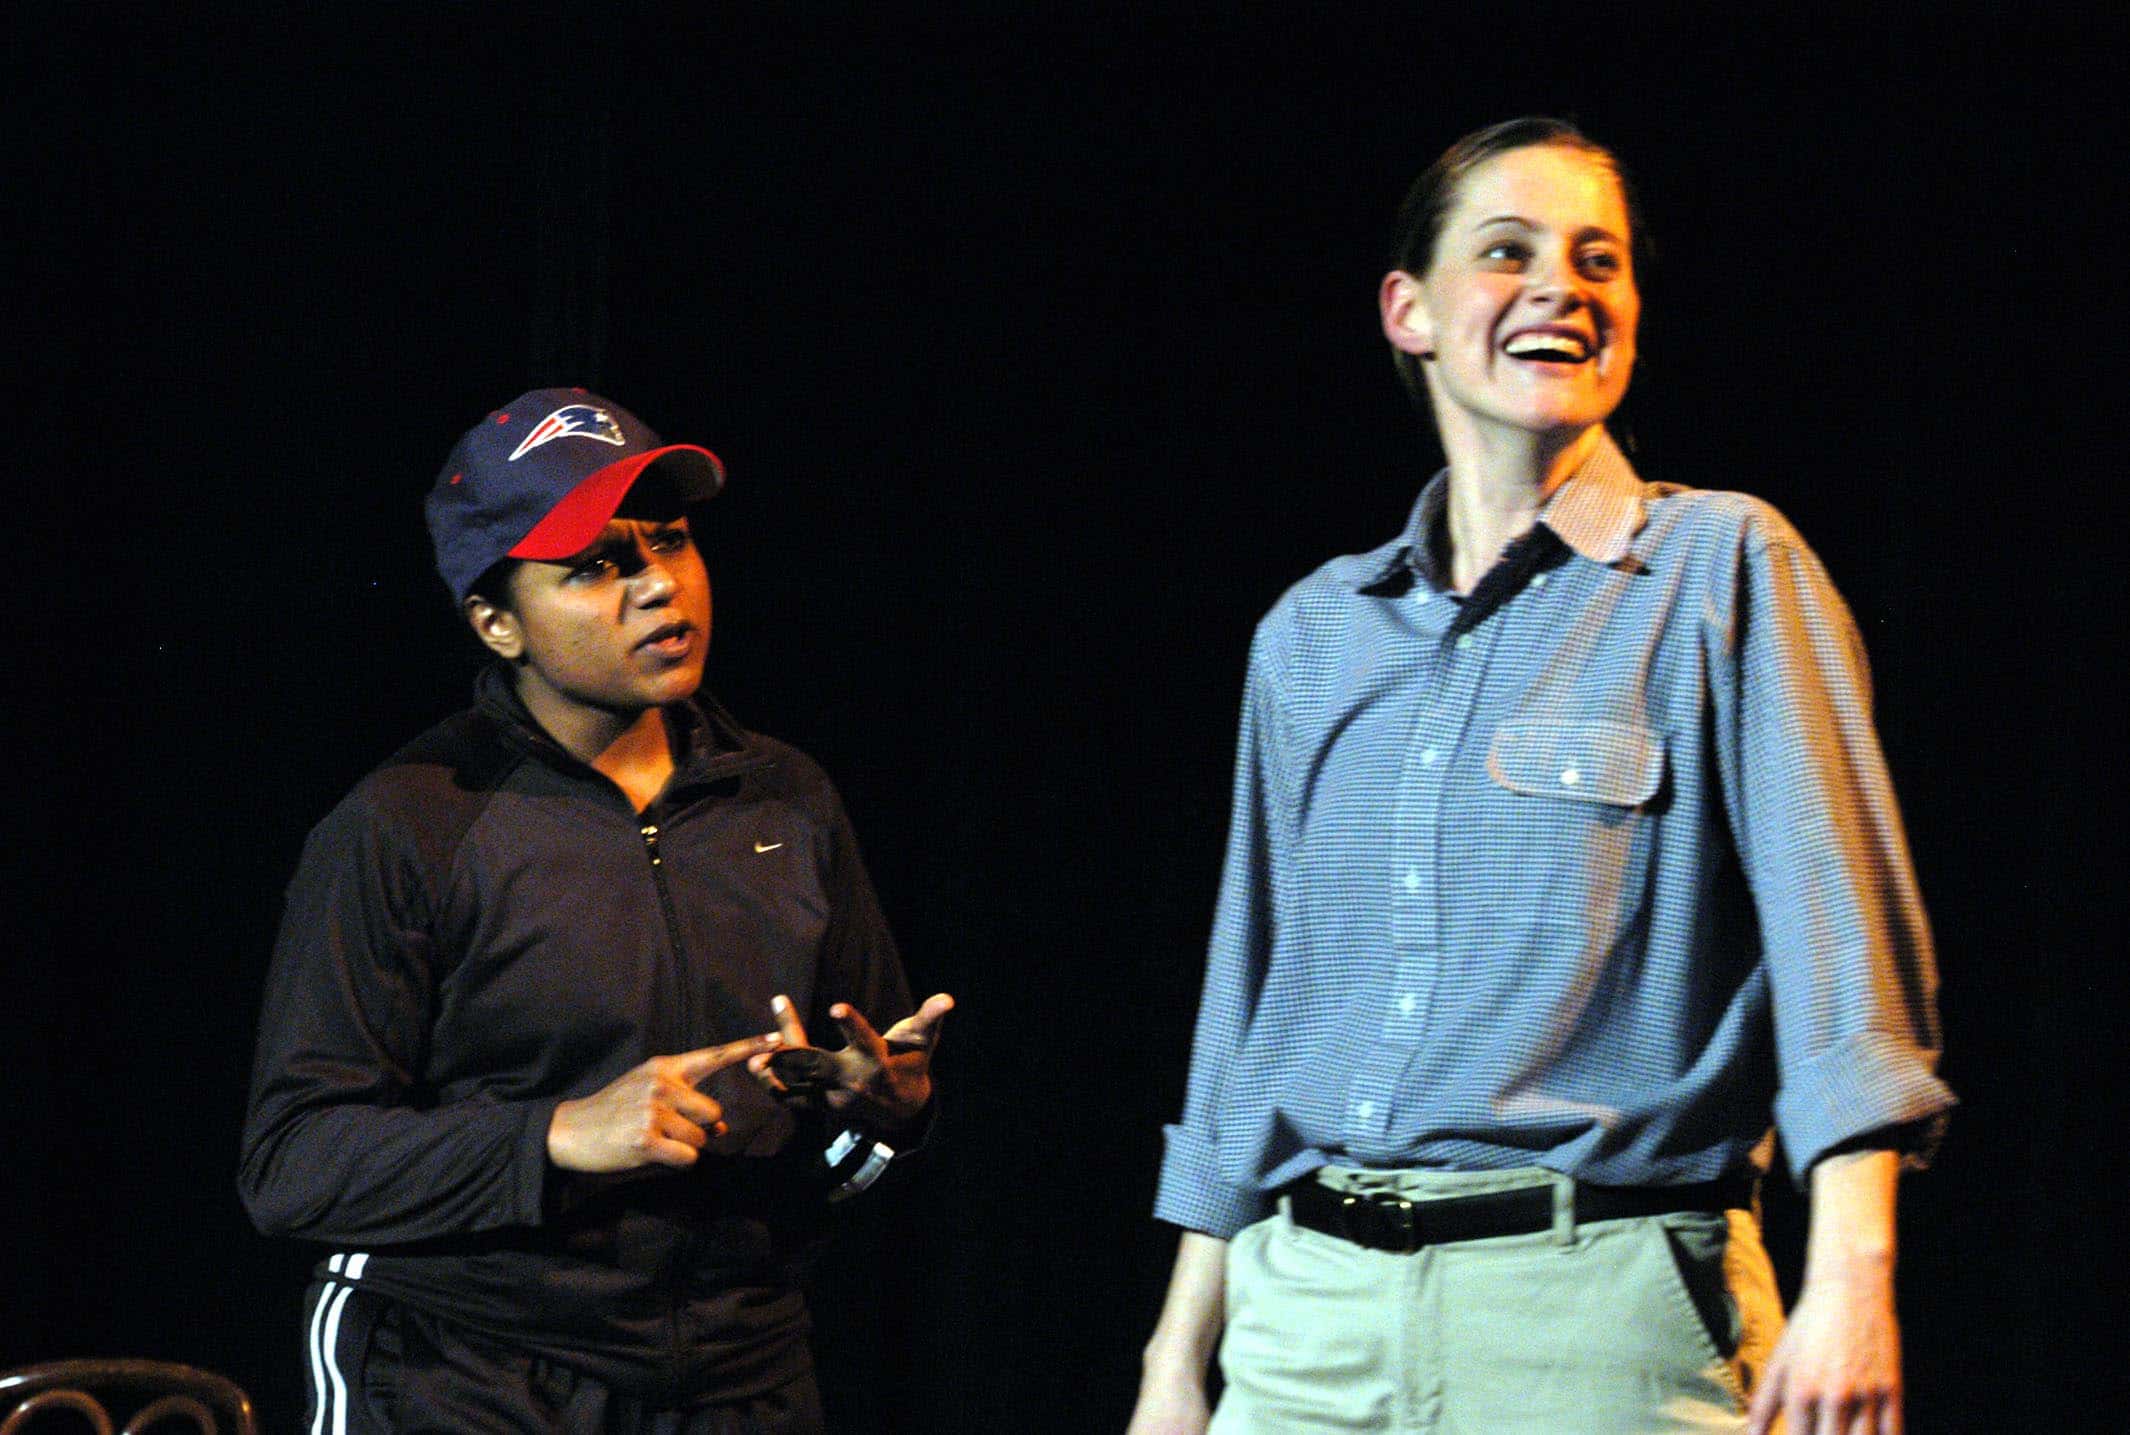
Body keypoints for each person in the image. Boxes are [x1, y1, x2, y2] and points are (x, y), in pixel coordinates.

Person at [1128, 119, 1952, 1435]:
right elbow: (1253, 1011)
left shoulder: (1716, 567)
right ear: (1408, 310)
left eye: (1597, 260)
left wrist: (1851, 1274)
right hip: (1305, 1316)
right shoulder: (1313, 632)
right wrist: (1179, 1356)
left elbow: (1840, 955)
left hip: (1596, 1309)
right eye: (1506, 251)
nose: (1560, 286)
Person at [239, 388, 952, 1434]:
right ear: (497, 623)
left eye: (669, 541)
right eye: (596, 568)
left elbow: (862, 1131)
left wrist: (882, 1106)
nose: (660, 586)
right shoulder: (407, 825)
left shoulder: (786, 801)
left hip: (739, 1373)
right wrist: (559, 1134)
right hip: (468, 1372)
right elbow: (292, 1164)